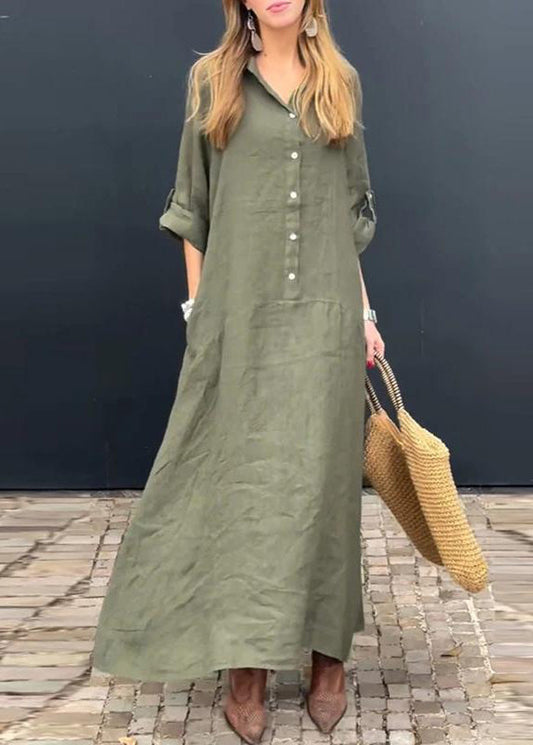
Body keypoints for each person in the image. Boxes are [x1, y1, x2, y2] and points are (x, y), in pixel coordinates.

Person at [92, 1, 385, 742]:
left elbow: (347, 213)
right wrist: (199, 314)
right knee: (241, 485)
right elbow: (191, 208)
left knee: (324, 488)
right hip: (237, 318)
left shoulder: (340, 82)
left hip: (325, 321)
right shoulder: (212, 80)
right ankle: (244, 663)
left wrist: (364, 314)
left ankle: (327, 657)